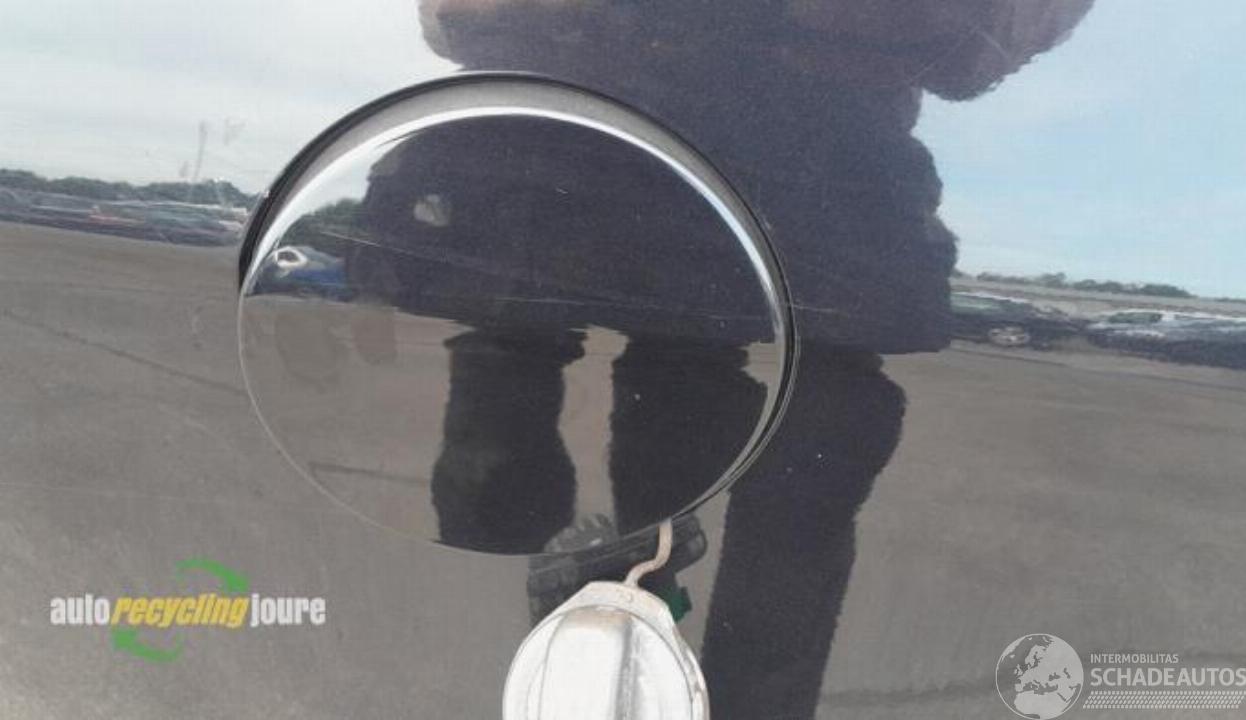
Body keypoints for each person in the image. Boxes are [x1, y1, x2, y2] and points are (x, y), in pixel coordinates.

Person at [397, 2, 1095, 716]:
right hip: (565, 134)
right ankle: (582, 653)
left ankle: (696, 665)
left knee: (808, 448)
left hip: (814, 157)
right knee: (504, 417)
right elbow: (452, 17)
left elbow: (983, 50)